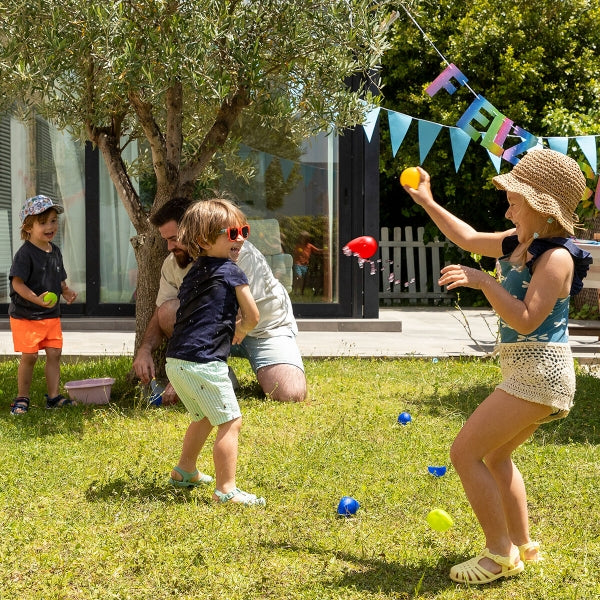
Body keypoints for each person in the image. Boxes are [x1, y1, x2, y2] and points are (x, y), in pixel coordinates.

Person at [403, 149, 592, 584]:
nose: (508, 207)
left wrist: (484, 281)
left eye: (515, 200)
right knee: (497, 453)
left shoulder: (556, 258)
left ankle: (498, 554)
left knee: (464, 453)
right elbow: (468, 238)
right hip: (528, 373)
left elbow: (526, 319)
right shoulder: (522, 243)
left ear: (543, 208)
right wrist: (429, 202)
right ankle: (524, 546)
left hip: (540, 374)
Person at [133, 197, 307, 404]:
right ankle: (222, 376)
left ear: (197, 234)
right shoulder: (172, 265)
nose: (170, 247)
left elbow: (239, 317)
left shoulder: (238, 256)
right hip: (219, 332)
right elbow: (161, 312)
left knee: (290, 394)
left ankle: (214, 373)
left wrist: (193, 372)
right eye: (166, 240)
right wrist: (144, 350)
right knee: (168, 311)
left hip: (263, 329)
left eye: (175, 238)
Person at [166, 198, 265, 506]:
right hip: (204, 362)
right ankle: (226, 490)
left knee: (205, 417)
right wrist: (243, 329)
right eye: (232, 233)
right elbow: (253, 315)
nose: (240, 239)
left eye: (243, 231)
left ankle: (185, 470)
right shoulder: (231, 271)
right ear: (203, 240)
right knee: (230, 421)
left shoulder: (194, 272)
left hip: (176, 361)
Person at [8, 195, 78, 414]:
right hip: (26, 315)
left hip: (50, 315)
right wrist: (36, 299)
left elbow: (59, 277)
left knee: (55, 354)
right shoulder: (25, 254)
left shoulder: (54, 251)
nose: (50, 226)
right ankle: (22, 398)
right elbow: (17, 284)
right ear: (28, 227)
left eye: (53, 220)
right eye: (43, 222)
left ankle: (54, 397)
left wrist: (65, 290)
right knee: (30, 356)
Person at [292, 230, 322, 295]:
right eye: (301, 238)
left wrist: (325, 250)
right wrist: (297, 253)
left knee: (303, 279)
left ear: (307, 239)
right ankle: (295, 291)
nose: (302, 239)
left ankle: (300, 292)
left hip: (305, 265)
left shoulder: (309, 246)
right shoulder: (298, 245)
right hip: (298, 263)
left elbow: (317, 250)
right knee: (299, 277)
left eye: (304, 238)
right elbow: (294, 253)